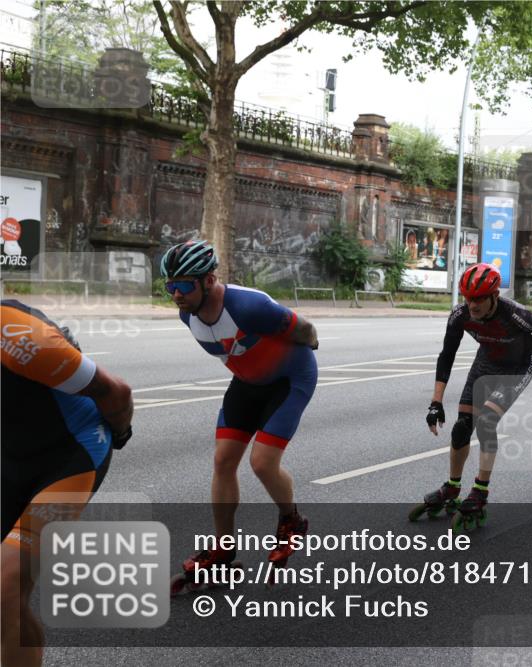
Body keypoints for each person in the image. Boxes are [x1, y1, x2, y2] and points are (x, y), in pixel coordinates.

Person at [160, 240, 319, 584]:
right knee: (223, 461)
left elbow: (306, 330)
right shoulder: (187, 314)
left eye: (184, 285)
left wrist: (300, 351)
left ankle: (291, 519)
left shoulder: (250, 305)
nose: (176, 294)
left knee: (262, 462)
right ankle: (223, 549)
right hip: (247, 383)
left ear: (209, 279)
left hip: (290, 379)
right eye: (170, 286)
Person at [2, 300, 133, 667]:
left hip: (72, 454)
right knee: (8, 600)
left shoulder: (16, 336)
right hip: (11, 455)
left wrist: (121, 433)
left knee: (5, 587)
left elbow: (116, 392)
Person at [411, 263, 532, 531]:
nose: (472, 305)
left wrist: (526, 350)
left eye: (479, 299)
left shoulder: (514, 314)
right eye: (468, 298)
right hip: (486, 362)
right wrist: (436, 402)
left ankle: (480, 491)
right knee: (462, 427)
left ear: (494, 296)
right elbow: (446, 356)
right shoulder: (460, 315)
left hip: (517, 367)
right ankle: (452, 487)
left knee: (486, 421)